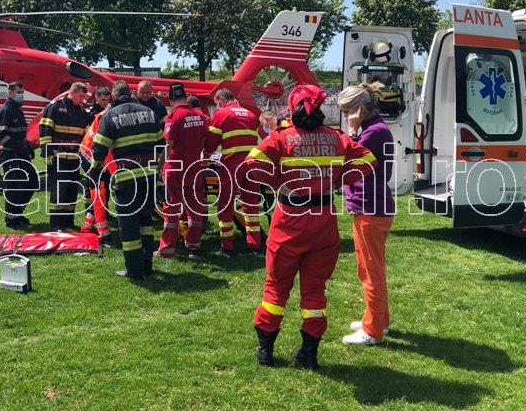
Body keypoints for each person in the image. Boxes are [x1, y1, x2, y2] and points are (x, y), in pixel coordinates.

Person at [246, 84, 376, 368]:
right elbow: (368, 159)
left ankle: (265, 351)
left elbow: (252, 164)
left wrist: (278, 182)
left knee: (276, 288)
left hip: (288, 222)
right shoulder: (336, 137)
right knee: (315, 291)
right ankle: (309, 354)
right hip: (323, 222)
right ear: (320, 109)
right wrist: (339, 179)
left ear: (292, 109)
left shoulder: (281, 137)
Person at [337, 82, 396, 346]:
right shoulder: (374, 129)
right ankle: (378, 319)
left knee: (371, 272)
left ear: (359, 109)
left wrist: (350, 131)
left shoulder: (373, 133)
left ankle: (372, 331)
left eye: (347, 111)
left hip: (371, 209)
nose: (345, 115)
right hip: (369, 208)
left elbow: (347, 156)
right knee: (369, 269)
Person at [91, 79, 165, 279]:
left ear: (114, 96)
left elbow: (99, 148)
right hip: (149, 176)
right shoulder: (150, 113)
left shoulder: (111, 115)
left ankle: (134, 270)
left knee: (128, 222)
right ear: (131, 93)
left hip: (127, 175)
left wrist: (96, 169)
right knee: (146, 221)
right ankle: (147, 266)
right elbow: (162, 143)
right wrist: (158, 170)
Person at [204, 88, 262, 255]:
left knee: (225, 205)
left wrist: (206, 156)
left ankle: (227, 247)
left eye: (217, 103)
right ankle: (254, 246)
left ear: (221, 99)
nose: (217, 106)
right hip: (251, 165)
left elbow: (212, 142)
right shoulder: (250, 114)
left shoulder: (221, 114)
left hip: (231, 165)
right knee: (251, 206)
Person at [157, 83, 208, 258]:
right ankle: (193, 245)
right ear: (185, 97)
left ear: (171, 100)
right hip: (194, 168)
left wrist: (159, 166)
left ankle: (167, 249)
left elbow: (168, 145)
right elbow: (202, 143)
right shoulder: (201, 117)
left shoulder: (174, 117)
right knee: (195, 207)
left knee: (171, 209)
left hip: (175, 169)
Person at [39, 82, 92, 231]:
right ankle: (56, 223)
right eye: (80, 96)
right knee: (59, 190)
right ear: (72, 92)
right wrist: (47, 151)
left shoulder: (82, 112)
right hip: (57, 156)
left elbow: (87, 135)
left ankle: (68, 221)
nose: (82, 99)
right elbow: (44, 129)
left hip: (74, 158)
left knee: (71, 190)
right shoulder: (55, 107)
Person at [0, 82, 39, 229]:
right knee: (14, 186)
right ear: (10, 93)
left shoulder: (18, 110)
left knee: (32, 181)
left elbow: (20, 133)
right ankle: (11, 219)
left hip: (19, 153)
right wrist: (19, 146)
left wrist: (26, 146)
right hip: (9, 154)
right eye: (19, 92)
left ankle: (17, 213)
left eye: (22, 91)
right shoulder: (5, 110)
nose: (21, 94)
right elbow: (0, 136)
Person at [79, 109, 114, 245]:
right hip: (92, 154)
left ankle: (87, 226)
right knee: (100, 191)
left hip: (95, 153)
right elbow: (103, 145)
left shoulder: (110, 113)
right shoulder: (106, 116)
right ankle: (104, 233)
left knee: (99, 191)